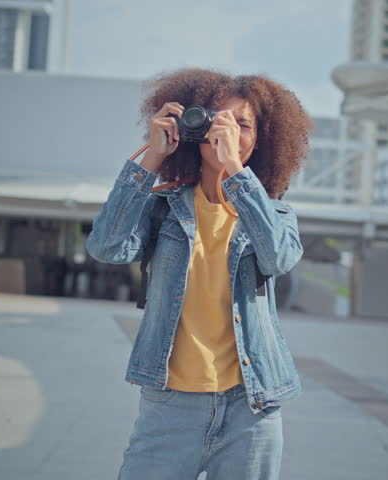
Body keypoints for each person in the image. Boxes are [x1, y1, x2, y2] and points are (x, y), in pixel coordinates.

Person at [85, 68, 312, 479]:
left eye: (242, 124)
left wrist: (235, 172)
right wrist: (153, 156)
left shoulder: (275, 213)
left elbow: (278, 258)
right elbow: (106, 247)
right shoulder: (162, 207)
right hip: (170, 407)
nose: (226, 130)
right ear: (193, 126)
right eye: (214, 118)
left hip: (251, 407)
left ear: (260, 140)